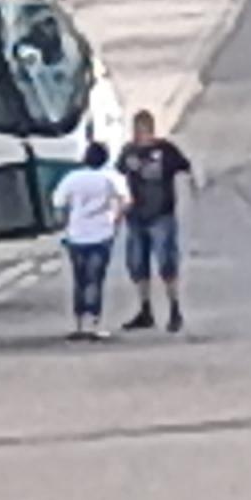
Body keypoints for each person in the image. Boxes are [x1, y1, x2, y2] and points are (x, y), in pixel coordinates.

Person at [116, 110, 194, 333]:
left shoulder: (166, 150)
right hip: (137, 216)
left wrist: (192, 188)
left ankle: (174, 309)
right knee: (138, 265)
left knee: (166, 263)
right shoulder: (128, 152)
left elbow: (185, 168)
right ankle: (146, 310)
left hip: (162, 215)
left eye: (143, 130)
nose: (141, 134)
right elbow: (118, 175)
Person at [51, 142, 129, 341]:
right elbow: (124, 200)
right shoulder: (107, 179)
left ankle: (78, 325)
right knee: (96, 279)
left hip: (76, 235)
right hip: (101, 234)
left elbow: (59, 204)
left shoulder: (72, 178)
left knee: (79, 279)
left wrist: (64, 225)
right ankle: (94, 324)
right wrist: (116, 221)